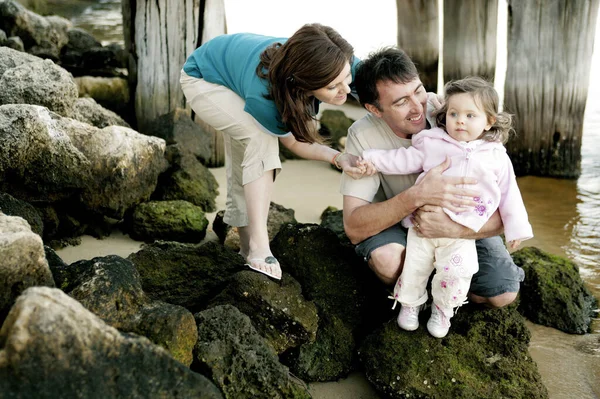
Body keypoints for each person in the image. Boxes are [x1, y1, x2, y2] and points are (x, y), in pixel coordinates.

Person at [340, 47, 527, 330]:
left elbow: (501, 198)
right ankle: (413, 299)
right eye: (401, 101)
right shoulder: (362, 136)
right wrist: (416, 197)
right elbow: (354, 227)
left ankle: (445, 297)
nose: (418, 107)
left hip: (460, 222)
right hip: (400, 222)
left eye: (418, 90)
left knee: (502, 292)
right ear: (375, 109)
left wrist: (455, 229)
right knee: (389, 262)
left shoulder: (449, 111)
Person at [180, 24, 364, 280]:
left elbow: (385, 83)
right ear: (303, 83)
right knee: (259, 138)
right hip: (204, 79)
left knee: (247, 149)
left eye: (347, 78)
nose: (346, 89)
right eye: (333, 87)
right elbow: (293, 142)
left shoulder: (337, 58)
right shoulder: (266, 98)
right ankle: (258, 245)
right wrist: (335, 156)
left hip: (236, 70)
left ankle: (244, 245)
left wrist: (427, 102)